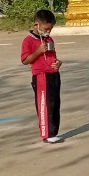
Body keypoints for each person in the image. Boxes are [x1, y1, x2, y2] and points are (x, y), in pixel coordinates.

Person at [20, 8, 63, 143]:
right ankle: (47, 134)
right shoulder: (28, 41)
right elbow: (25, 60)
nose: (48, 32)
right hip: (41, 76)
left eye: (50, 29)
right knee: (45, 104)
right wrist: (38, 51)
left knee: (55, 104)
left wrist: (58, 63)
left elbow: (53, 56)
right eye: (46, 29)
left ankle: (54, 132)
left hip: (54, 75)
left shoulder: (49, 39)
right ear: (36, 25)